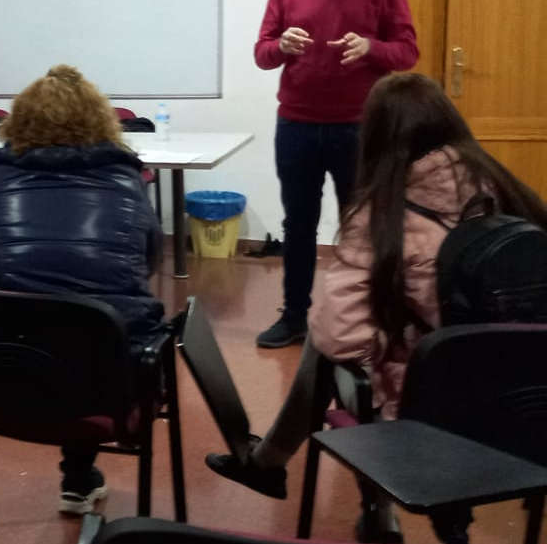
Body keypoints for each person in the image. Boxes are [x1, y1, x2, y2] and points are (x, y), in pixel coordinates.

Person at [208, 73, 547, 543]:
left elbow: (339, 339)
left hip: (430, 417)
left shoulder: (380, 217)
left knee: (328, 348)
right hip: (526, 406)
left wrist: (390, 333)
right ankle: (278, 466)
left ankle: (353, 499)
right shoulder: (508, 191)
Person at [0, 65, 166, 515]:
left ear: (19, 121)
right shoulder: (127, 180)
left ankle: (79, 478)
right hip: (105, 385)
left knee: (54, 330)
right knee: (91, 329)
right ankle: (78, 477)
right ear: (100, 120)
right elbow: (147, 264)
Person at [252, 0, 420, 348]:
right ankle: (294, 317)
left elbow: (407, 52)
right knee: (298, 224)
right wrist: (280, 46)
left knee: (363, 225)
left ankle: (365, 318)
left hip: (360, 127)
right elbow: (262, 53)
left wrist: (372, 48)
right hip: (297, 126)